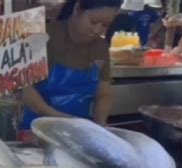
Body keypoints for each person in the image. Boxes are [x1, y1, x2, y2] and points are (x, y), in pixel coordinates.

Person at [20, 0, 121, 129]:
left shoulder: (100, 48)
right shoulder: (42, 38)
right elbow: (24, 90)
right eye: (93, 22)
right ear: (77, 9)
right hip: (35, 128)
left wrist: (100, 124)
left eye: (105, 25)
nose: (97, 30)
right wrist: (61, 119)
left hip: (77, 131)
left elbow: (103, 93)